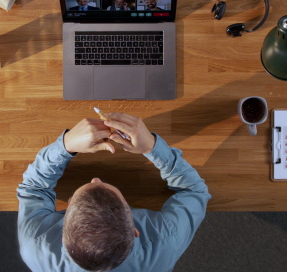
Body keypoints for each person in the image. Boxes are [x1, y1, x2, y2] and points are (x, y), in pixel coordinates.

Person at [17, 112, 211, 272]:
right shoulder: (166, 240)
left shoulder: (36, 245)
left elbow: (34, 189)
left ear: (63, 234)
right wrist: (152, 147)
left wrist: (66, 145)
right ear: (134, 231)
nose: (96, 179)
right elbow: (194, 190)